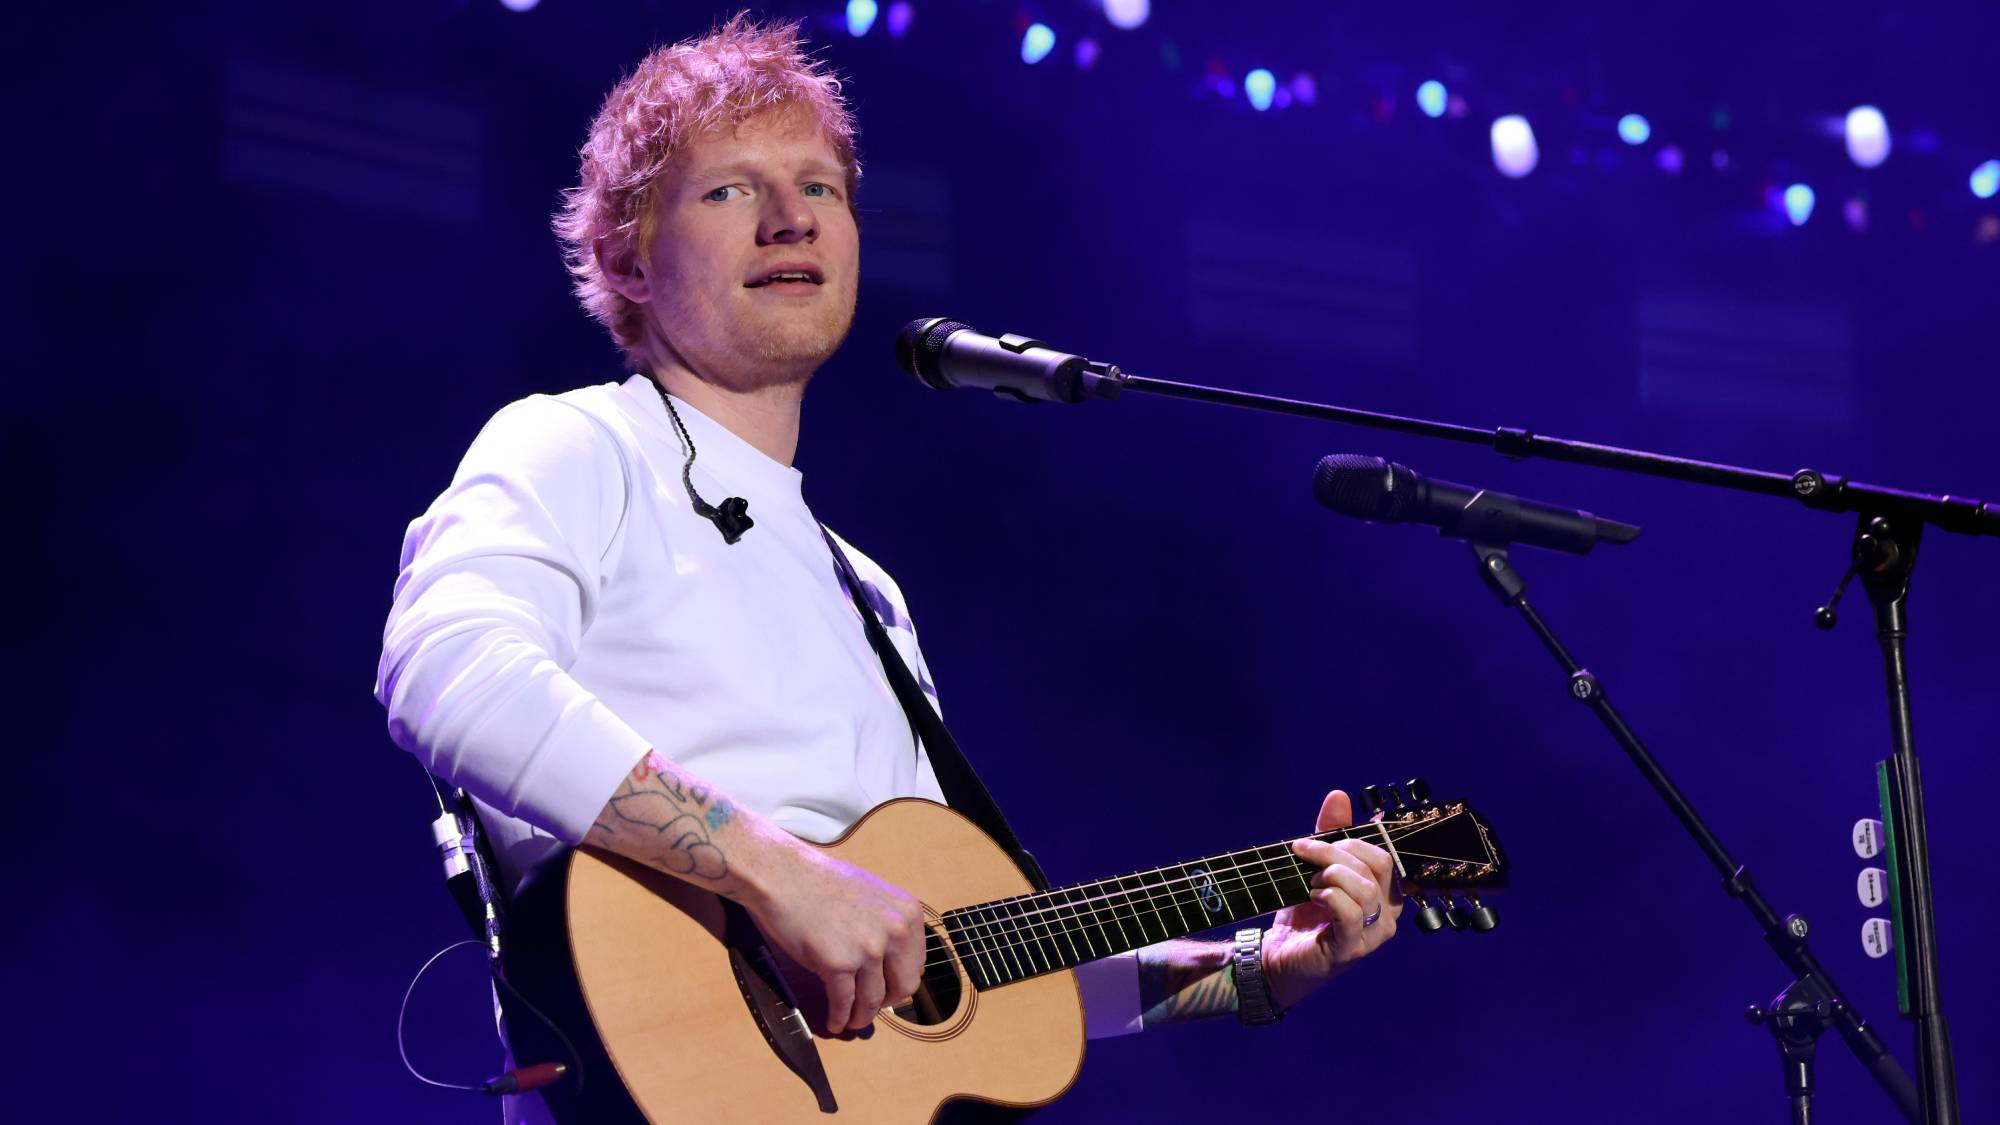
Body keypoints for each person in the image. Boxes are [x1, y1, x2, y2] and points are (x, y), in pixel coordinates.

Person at [374, 15, 1400, 1121]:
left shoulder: (867, 594)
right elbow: (449, 674)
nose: (789, 218)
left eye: (821, 187)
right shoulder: (576, 444)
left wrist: (1255, 969)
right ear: (628, 250)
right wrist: (778, 874)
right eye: (728, 190)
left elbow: (943, 964)